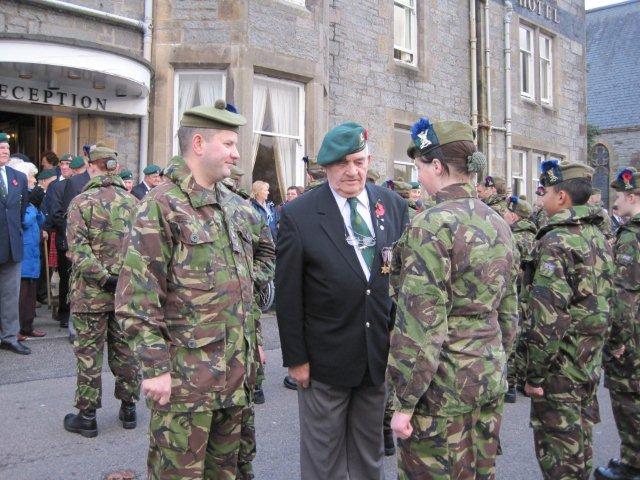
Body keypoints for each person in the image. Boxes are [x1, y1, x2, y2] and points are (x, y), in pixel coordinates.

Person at [115, 100, 275, 479]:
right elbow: (137, 297)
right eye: (229, 144)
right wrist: (154, 369)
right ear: (199, 143)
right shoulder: (160, 207)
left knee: (230, 472)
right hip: (187, 384)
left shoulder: (233, 206)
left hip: (236, 377)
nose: (237, 154)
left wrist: (253, 336)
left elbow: (263, 250)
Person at [276, 121, 408, 480]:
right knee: (324, 460)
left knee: (369, 456)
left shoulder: (392, 206)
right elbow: (288, 294)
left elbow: (396, 281)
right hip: (323, 361)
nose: (352, 171)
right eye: (342, 163)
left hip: (374, 356)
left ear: (369, 160)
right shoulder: (299, 214)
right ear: (326, 168)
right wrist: (296, 359)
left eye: (359, 161)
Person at [387, 118, 517, 479]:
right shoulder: (499, 223)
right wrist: (493, 360)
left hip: (441, 388)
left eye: (420, 167)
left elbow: (421, 323)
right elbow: (508, 313)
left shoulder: (430, 224)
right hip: (487, 375)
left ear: (438, 167)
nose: (418, 177)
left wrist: (404, 402)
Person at [524, 159, 614, 480]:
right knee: (580, 448)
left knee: (560, 457)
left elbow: (547, 319)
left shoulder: (556, 241)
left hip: (560, 370)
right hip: (587, 362)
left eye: (545, 191)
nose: (540, 199)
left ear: (561, 196)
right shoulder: (598, 236)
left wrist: (534, 374)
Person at [62, 143, 141, 437]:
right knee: (126, 351)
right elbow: (143, 250)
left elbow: (78, 251)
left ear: (91, 165)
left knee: (89, 355)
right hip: (124, 293)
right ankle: (129, 409)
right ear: (115, 167)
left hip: (90, 294)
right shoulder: (134, 203)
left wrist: (102, 278)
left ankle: (87, 417)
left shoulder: (81, 202)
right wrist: (118, 280)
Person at [594, 167, 640, 480]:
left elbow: (624, 295)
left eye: (621, 196)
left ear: (633, 196)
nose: (617, 201)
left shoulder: (632, 237)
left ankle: (634, 464)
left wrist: (618, 340)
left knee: (628, 401)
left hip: (633, 337)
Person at [502, 195, 537, 402]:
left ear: (514, 216)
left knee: (513, 336)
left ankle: (510, 384)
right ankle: (524, 378)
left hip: (516, 291)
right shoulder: (533, 234)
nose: (504, 215)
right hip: (529, 294)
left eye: (507, 212)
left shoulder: (515, 237)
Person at [0, 132, 31, 355]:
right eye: (0, 147)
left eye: (7, 148)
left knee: (11, 295)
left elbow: (21, 209)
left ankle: (9, 337)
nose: (5, 151)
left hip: (12, 244)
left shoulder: (17, 177)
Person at [12, 162, 46, 340]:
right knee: (21, 294)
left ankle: (28, 326)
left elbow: (38, 221)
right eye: (32, 177)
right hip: (23, 251)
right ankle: (16, 329)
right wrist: (32, 204)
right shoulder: (18, 197)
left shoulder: (29, 199)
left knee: (31, 293)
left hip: (32, 251)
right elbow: (23, 221)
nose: (35, 180)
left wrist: (36, 206)